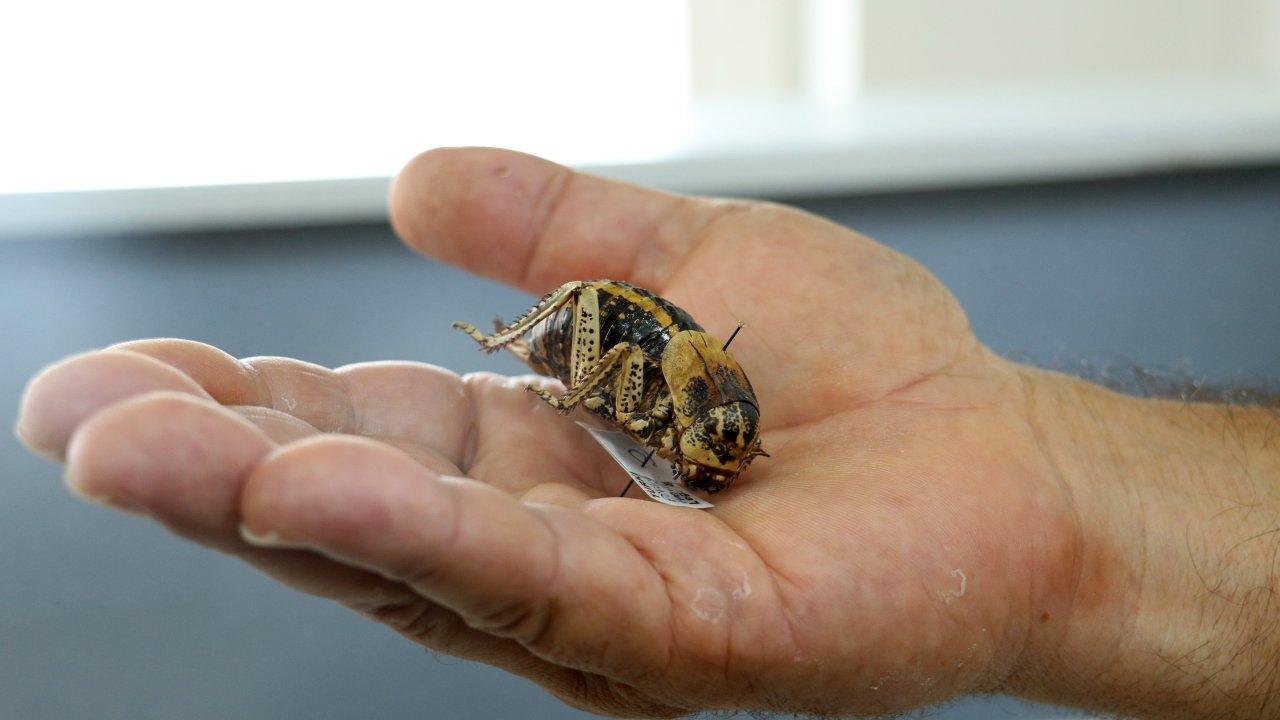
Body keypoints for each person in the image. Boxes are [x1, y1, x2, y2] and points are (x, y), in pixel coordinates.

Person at [14, 147, 1279, 719]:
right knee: (577, 359)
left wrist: (1064, 508)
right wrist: (538, 366)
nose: (705, 464)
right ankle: (523, 349)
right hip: (596, 330)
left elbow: (702, 426)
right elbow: (614, 359)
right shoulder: (651, 372)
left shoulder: (722, 412)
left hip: (656, 357)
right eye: (704, 450)